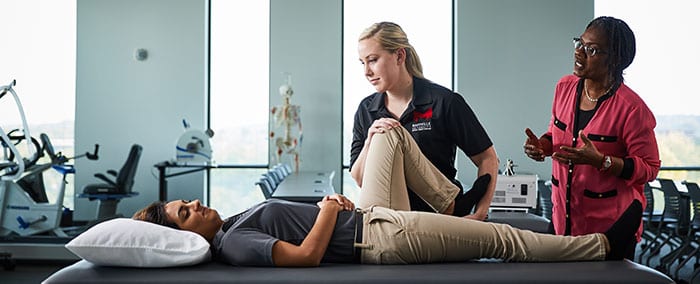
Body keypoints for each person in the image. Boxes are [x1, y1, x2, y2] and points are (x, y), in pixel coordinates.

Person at [134, 127, 641, 267]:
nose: (195, 205)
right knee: (501, 237)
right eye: (186, 213)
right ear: (182, 238)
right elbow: (307, 257)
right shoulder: (234, 244)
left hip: (372, 219)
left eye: (188, 203)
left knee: (387, 129)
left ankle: (450, 200)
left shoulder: (231, 225)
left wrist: (330, 207)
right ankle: (603, 247)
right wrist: (329, 211)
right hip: (382, 238)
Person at [523, 16, 660, 258]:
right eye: (579, 43)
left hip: (610, 229)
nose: (579, 53)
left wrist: (602, 161)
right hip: (562, 221)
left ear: (615, 59)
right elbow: (557, 134)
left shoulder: (632, 109)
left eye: (591, 49)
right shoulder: (564, 87)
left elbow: (649, 168)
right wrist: (543, 146)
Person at [350, 22, 499, 220]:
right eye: (363, 63)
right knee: (388, 136)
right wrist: (370, 141)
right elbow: (360, 179)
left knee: (395, 135)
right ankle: (450, 204)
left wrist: (480, 214)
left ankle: (448, 205)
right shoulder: (365, 110)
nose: (366, 72)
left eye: (373, 60)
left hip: (434, 218)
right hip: (390, 216)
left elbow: (487, 158)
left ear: (400, 56)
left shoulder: (444, 102)